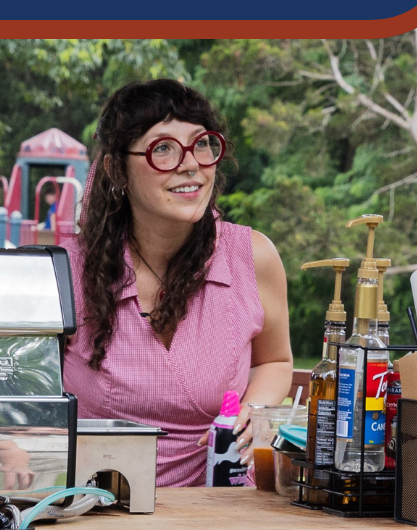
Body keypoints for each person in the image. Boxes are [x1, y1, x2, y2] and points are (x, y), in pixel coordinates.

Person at [62, 79, 292, 486]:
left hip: (222, 510)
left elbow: (274, 361)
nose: (191, 164)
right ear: (117, 169)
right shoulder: (69, 271)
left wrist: (253, 412)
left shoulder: (252, 257)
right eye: (162, 148)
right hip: (96, 512)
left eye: (201, 144)